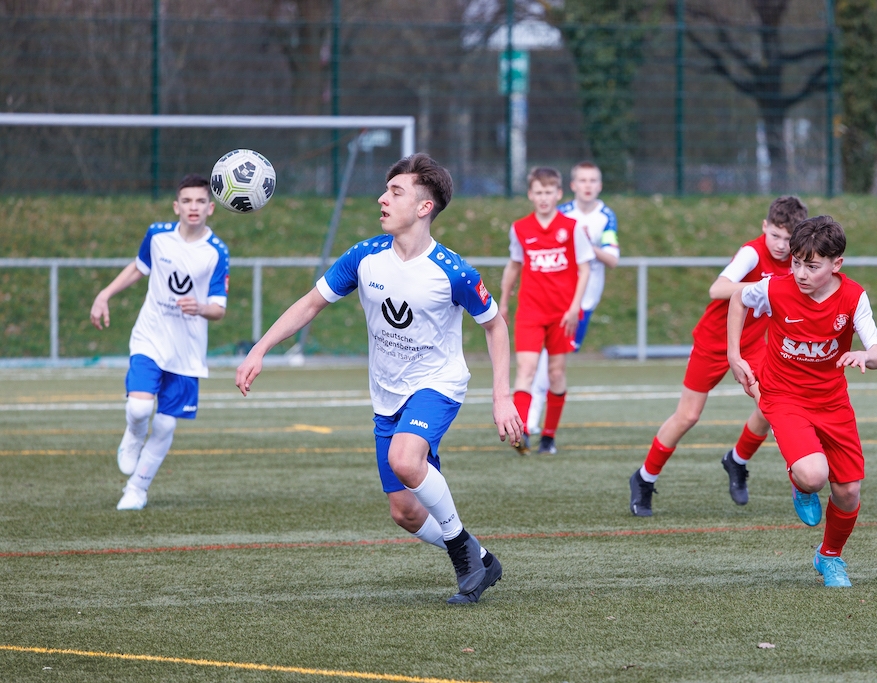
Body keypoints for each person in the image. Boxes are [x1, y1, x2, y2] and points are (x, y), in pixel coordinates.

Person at [235, 153, 522, 605]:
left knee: (405, 460)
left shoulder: (453, 271)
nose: (382, 199)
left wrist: (501, 396)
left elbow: (495, 325)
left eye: (395, 192)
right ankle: (481, 557)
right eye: (386, 190)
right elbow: (310, 304)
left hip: (437, 383)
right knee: (405, 512)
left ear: (424, 207)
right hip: (387, 394)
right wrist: (260, 348)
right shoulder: (364, 257)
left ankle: (463, 557)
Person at [728, 215, 877, 587]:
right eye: (796, 262)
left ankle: (828, 557)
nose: (800, 273)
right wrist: (734, 355)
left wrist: (866, 356)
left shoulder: (853, 297)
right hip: (783, 396)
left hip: (832, 401)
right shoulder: (775, 288)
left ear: (836, 264)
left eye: (812, 266)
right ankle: (800, 482)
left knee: (848, 491)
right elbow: (737, 297)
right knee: (814, 476)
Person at [628, 196, 807, 516]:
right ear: (764, 227)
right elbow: (717, 289)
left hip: (752, 344)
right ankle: (643, 479)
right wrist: (763, 286)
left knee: (771, 406)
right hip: (713, 342)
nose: (781, 245)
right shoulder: (752, 253)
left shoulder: (797, 261)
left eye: (788, 238)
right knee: (688, 416)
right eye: (775, 235)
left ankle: (738, 460)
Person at [89, 174, 230, 511]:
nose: (193, 207)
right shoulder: (157, 236)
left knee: (165, 424)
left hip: (187, 350)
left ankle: (137, 489)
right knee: (139, 409)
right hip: (150, 336)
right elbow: (138, 268)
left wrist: (200, 307)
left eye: (200, 201)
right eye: (187, 201)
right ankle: (134, 434)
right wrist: (104, 294)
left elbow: (219, 309)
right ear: (176, 206)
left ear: (210, 208)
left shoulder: (216, 252)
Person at [499, 166, 594, 455]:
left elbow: (585, 269)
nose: (543, 197)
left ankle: (549, 437)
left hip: (562, 314)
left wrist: (575, 307)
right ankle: (521, 433)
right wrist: (503, 301)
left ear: (558, 194)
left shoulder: (572, 228)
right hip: (530, 311)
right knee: (525, 369)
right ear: (530, 194)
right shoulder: (520, 228)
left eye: (548, 192)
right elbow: (514, 264)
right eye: (538, 192)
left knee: (556, 373)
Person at [526, 162, 619, 438]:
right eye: (583, 180)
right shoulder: (562, 213)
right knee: (547, 358)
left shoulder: (605, 217)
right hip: (556, 299)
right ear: (573, 185)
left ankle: (539, 421)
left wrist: (587, 245)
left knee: (555, 362)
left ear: (599, 185)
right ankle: (531, 419)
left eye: (593, 180)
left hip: (585, 301)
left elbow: (612, 258)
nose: (588, 185)